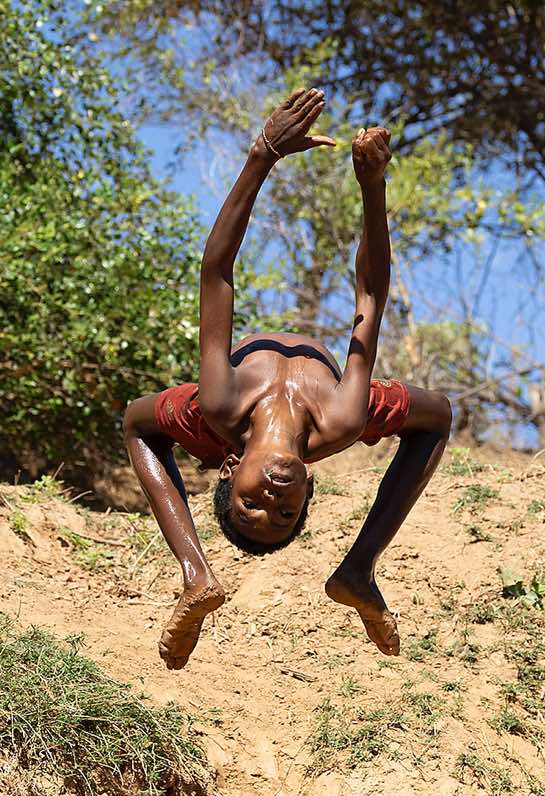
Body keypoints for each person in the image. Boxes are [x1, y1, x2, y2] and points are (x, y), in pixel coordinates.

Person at [124, 88, 451, 670]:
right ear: (307, 496)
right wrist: (373, 187)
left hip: (223, 412)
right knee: (439, 415)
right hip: (332, 398)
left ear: (231, 468)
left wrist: (263, 154)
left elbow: (217, 271)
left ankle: (194, 572)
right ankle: (359, 567)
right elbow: (370, 298)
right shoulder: (342, 421)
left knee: (137, 421)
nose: (272, 501)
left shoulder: (219, 407)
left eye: (251, 504)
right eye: (285, 514)